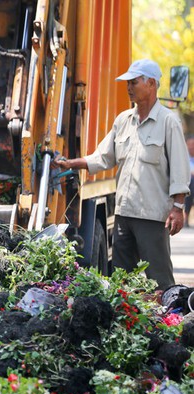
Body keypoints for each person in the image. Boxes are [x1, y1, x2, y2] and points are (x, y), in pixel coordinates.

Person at [56, 59, 190, 292]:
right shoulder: (123, 121)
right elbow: (103, 157)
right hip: (124, 214)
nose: (128, 87)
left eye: (133, 82)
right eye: (127, 83)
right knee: (122, 281)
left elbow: (180, 169)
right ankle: (129, 324)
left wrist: (178, 207)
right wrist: (71, 163)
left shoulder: (168, 122)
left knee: (159, 282)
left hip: (151, 216)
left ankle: (167, 324)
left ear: (151, 83)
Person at [184, 135, 194, 227]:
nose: (191, 147)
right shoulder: (183, 157)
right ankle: (186, 218)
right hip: (187, 182)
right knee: (190, 185)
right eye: (189, 144)